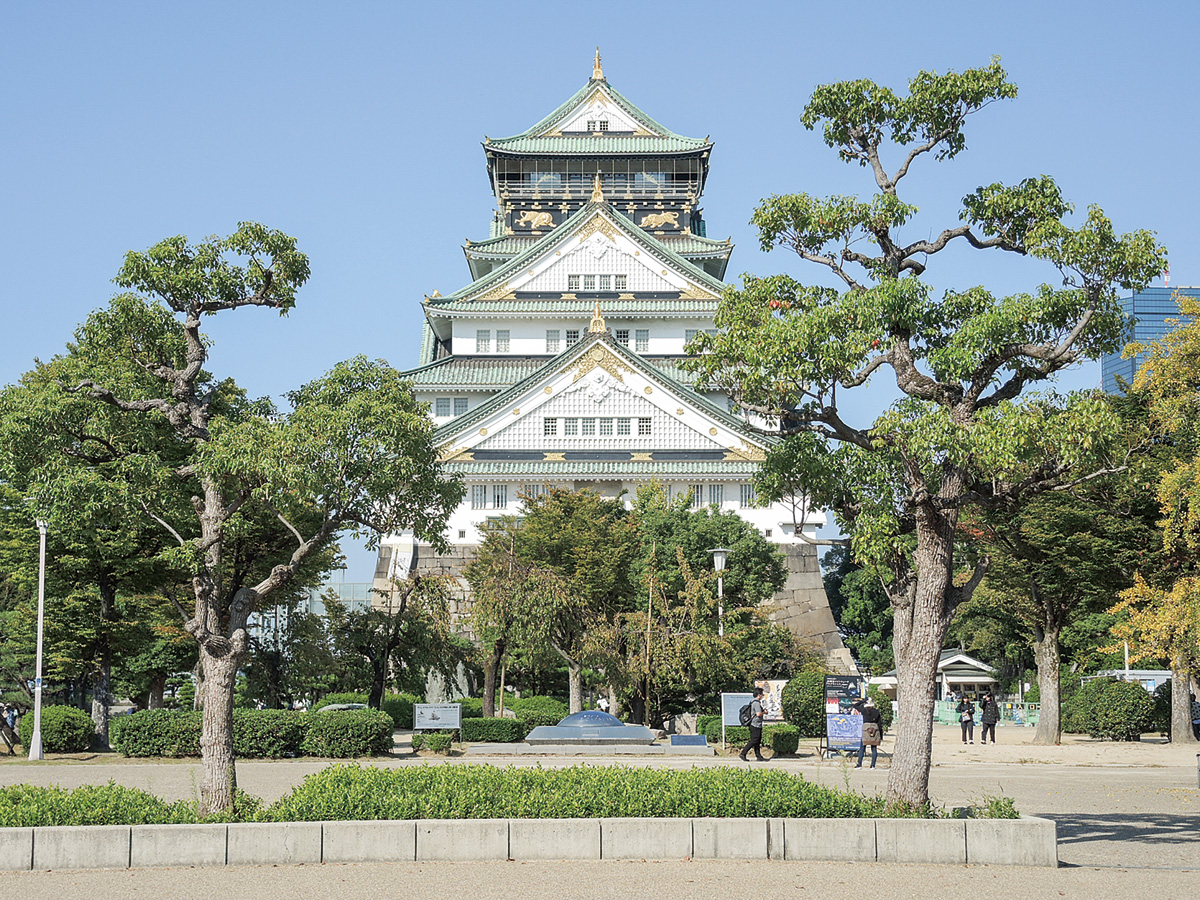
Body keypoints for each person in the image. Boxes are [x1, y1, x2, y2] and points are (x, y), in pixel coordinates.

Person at [853, 696, 883, 768]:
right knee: (874, 748)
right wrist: (881, 735)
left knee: (862, 748)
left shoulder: (864, 710)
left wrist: (862, 701)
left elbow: (855, 705)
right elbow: (879, 724)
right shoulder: (877, 712)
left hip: (866, 730)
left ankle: (859, 764)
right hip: (874, 730)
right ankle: (872, 765)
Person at [739, 687, 767, 761]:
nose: (762, 696)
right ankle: (743, 753)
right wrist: (764, 712)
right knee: (754, 740)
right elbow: (758, 714)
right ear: (759, 695)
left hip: (755, 724)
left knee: (757, 741)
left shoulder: (753, 702)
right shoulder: (756, 703)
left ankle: (758, 756)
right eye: (762, 694)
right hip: (755, 724)